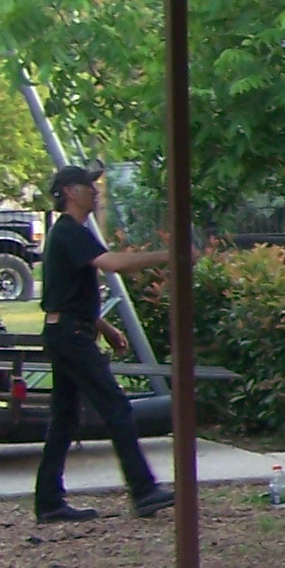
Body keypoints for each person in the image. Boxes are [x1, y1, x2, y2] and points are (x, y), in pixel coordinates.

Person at [34, 163, 175, 525]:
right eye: (87, 185)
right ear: (69, 192)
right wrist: (166, 257)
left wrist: (107, 329)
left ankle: (49, 501)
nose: (95, 192)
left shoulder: (70, 233)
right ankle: (143, 490)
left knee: (64, 419)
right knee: (117, 408)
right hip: (71, 337)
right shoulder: (69, 231)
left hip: (66, 331)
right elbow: (113, 264)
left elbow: (63, 297)